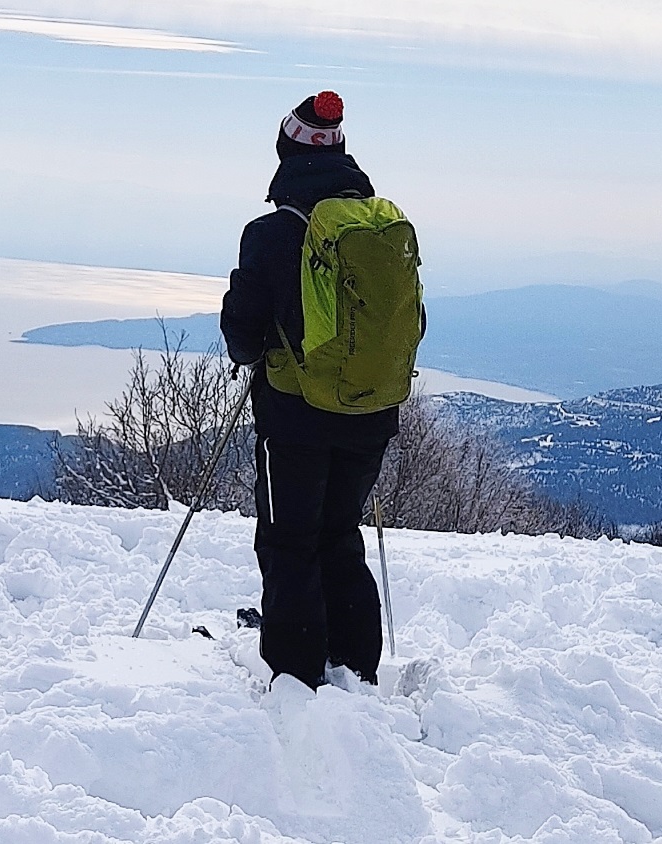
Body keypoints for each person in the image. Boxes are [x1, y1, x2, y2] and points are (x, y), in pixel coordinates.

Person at [220, 91, 403, 690]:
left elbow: (243, 340)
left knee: (289, 540)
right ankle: (355, 665)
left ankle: (296, 675)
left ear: (285, 151)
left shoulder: (270, 234)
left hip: (295, 417)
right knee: (339, 534)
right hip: (371, 411)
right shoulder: (378, 228)